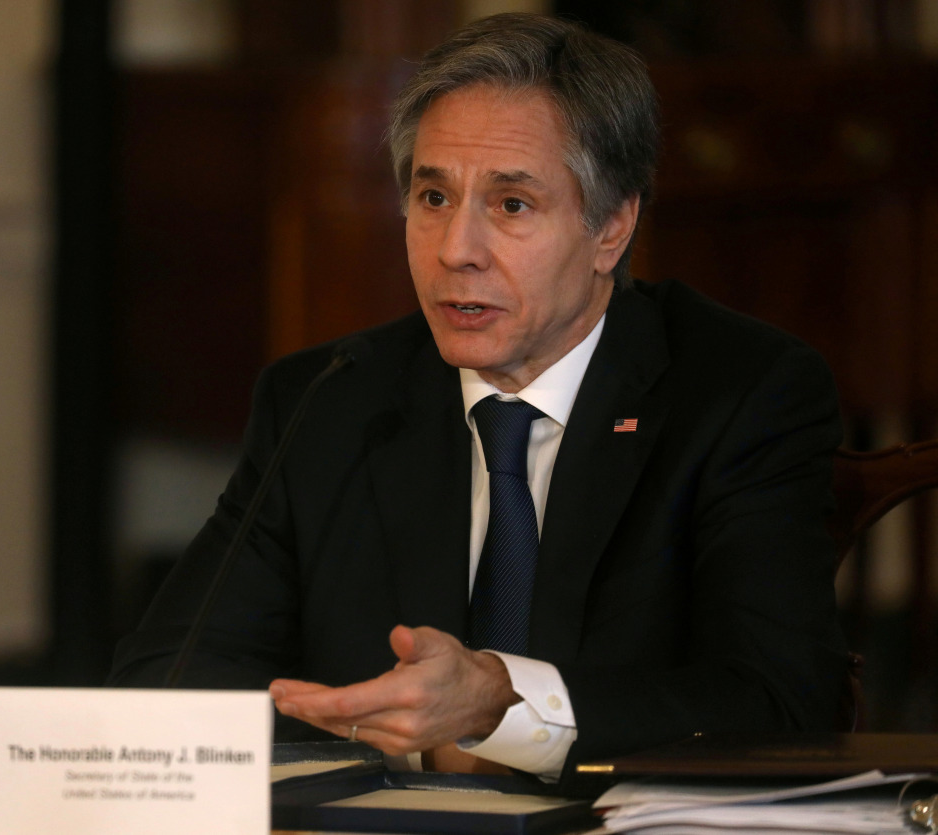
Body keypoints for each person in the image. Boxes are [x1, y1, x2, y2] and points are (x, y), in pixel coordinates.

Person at [108, 13, 848, 784]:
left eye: (511, 205)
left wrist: (502, 707)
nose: (456, 250)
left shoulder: (739, 393)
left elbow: (781, 699)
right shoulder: (328, 400)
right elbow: (162, 687)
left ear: (613, 227)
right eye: (432, 197)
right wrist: (410, 738)